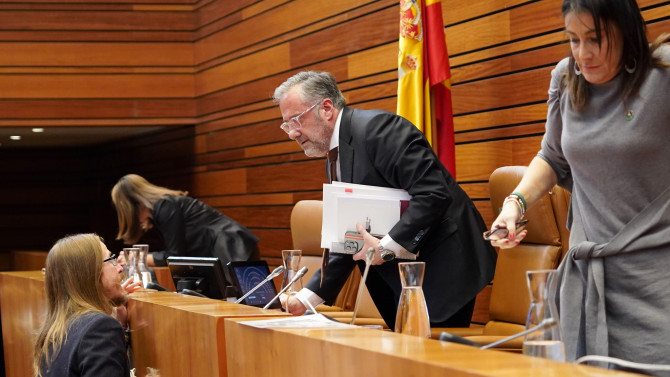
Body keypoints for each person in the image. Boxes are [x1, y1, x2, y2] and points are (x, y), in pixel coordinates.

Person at [487, 0, 670, 370]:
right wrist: (514, 205)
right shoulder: (566, 78)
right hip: (589, 281)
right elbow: (552, 157)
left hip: (658, 278)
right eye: (573, 39)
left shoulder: (662, 74)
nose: (583, 53)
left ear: (626, 30)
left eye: (595, 39)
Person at [272, 71, 497, 329]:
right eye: (286, 125)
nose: (292, 133)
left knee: (432, 365)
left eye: (296, 120)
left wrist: (386, 246)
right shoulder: (336, 155)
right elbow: (349, 240)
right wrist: (305, 298)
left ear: (326, 108)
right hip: (401, 278)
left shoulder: (380, 130)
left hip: (443, 266)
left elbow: (433, 193)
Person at [33, 234, 142, 377]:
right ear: (92, 272)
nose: (120, 268)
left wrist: (118, 323)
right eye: (111, 260)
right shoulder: (100, 328)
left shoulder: (55, 329)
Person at [111, 174, 259, 267]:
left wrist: (138, 258)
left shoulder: (165, 205)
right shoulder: (160, 211)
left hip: (232, 248)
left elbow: (175, 256)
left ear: (131, 205)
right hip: (227, 249)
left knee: (252, 303)